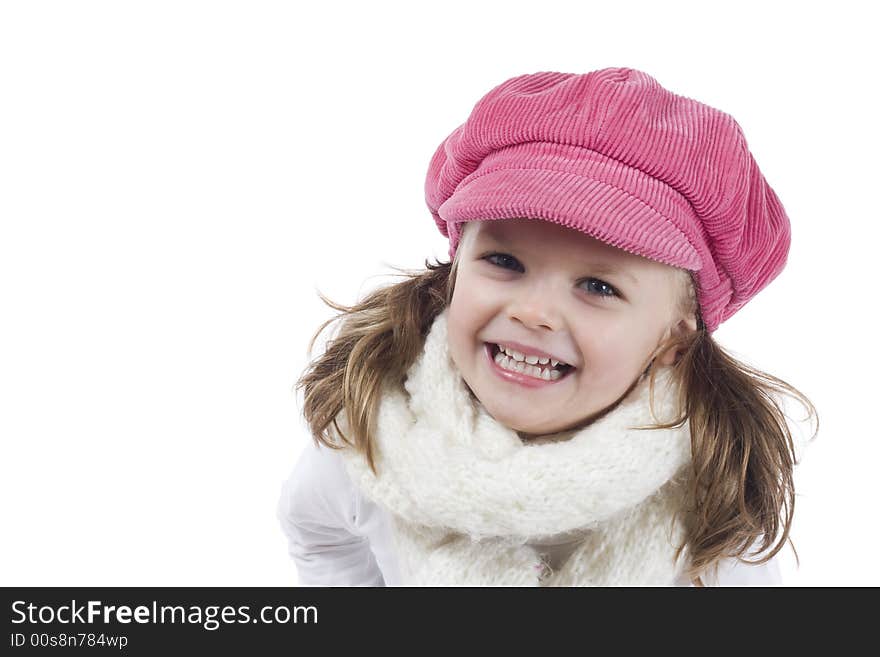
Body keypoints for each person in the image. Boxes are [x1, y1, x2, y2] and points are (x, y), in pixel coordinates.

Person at [276, 67, 817, 586]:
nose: (533, 312)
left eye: (599, 287)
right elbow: (314, 527)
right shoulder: (376, 438)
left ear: (675, 335)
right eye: (504, 262)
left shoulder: (709, 490)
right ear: (456, 267)